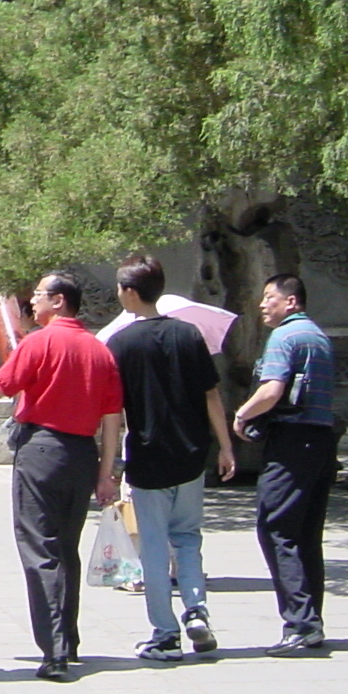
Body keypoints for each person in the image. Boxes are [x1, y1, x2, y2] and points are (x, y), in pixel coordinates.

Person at [0, 270, 122, 681]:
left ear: (59, 301)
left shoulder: (38, 343)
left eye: (38, 295)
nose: (31, 302)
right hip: (82, 454)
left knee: (40, 549)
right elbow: (112, 418)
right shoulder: (99, 350)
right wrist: (106, 472)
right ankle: (68, 637)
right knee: (66, 547)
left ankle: (53, 650)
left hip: (41, 451)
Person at [106, 256, 236, 662]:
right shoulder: (188, 335)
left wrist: (107, 462)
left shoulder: (121, 344)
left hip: (147, 456)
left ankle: (164, 632)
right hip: (191, 454)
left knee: (155, 547)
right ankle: (196, 609)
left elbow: (113, 410)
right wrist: (226, 445)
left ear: (129, 292)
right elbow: (210, 395)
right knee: (188, 536)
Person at [233, 273, 338, 655]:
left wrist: (242, 414)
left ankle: (300, 622)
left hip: (291, 442)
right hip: (322, 441)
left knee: (276, 528)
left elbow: (272, 390)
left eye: (269, 298)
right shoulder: (319, 337)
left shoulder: (285, 336)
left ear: (290, 302)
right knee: (307, 533)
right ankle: (312, 619)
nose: (263, 305)